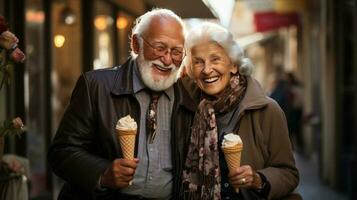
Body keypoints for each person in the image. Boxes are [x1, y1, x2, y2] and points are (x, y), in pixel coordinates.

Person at [47, 9, 196, 199]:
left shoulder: (188, 98)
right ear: (136, 44)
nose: (167, 60)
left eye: (176, 52)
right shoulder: (96, 86)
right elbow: (61, 153)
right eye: (159, 48)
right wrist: (103, 173)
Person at [181, 22, 299, 200]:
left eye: (215, 59)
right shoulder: (186, 106)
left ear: (234, 65)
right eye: (198, 62)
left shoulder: (267, 110)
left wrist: (258, 180)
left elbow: (289, 174)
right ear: (191, 70)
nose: (206, 70)